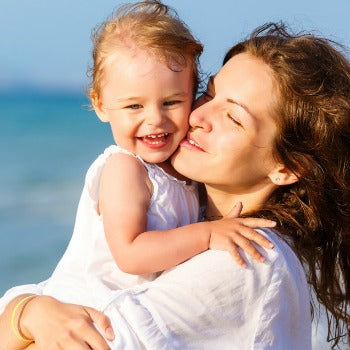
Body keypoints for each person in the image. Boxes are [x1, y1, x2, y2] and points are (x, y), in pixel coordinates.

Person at [1, 21, 349, 350]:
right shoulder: (186, 213)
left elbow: (94, 339)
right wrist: (30, 312)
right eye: (207, 94)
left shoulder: (247, 257)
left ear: (287, 167)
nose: (196, 117)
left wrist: (25, 317)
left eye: (232, 117)